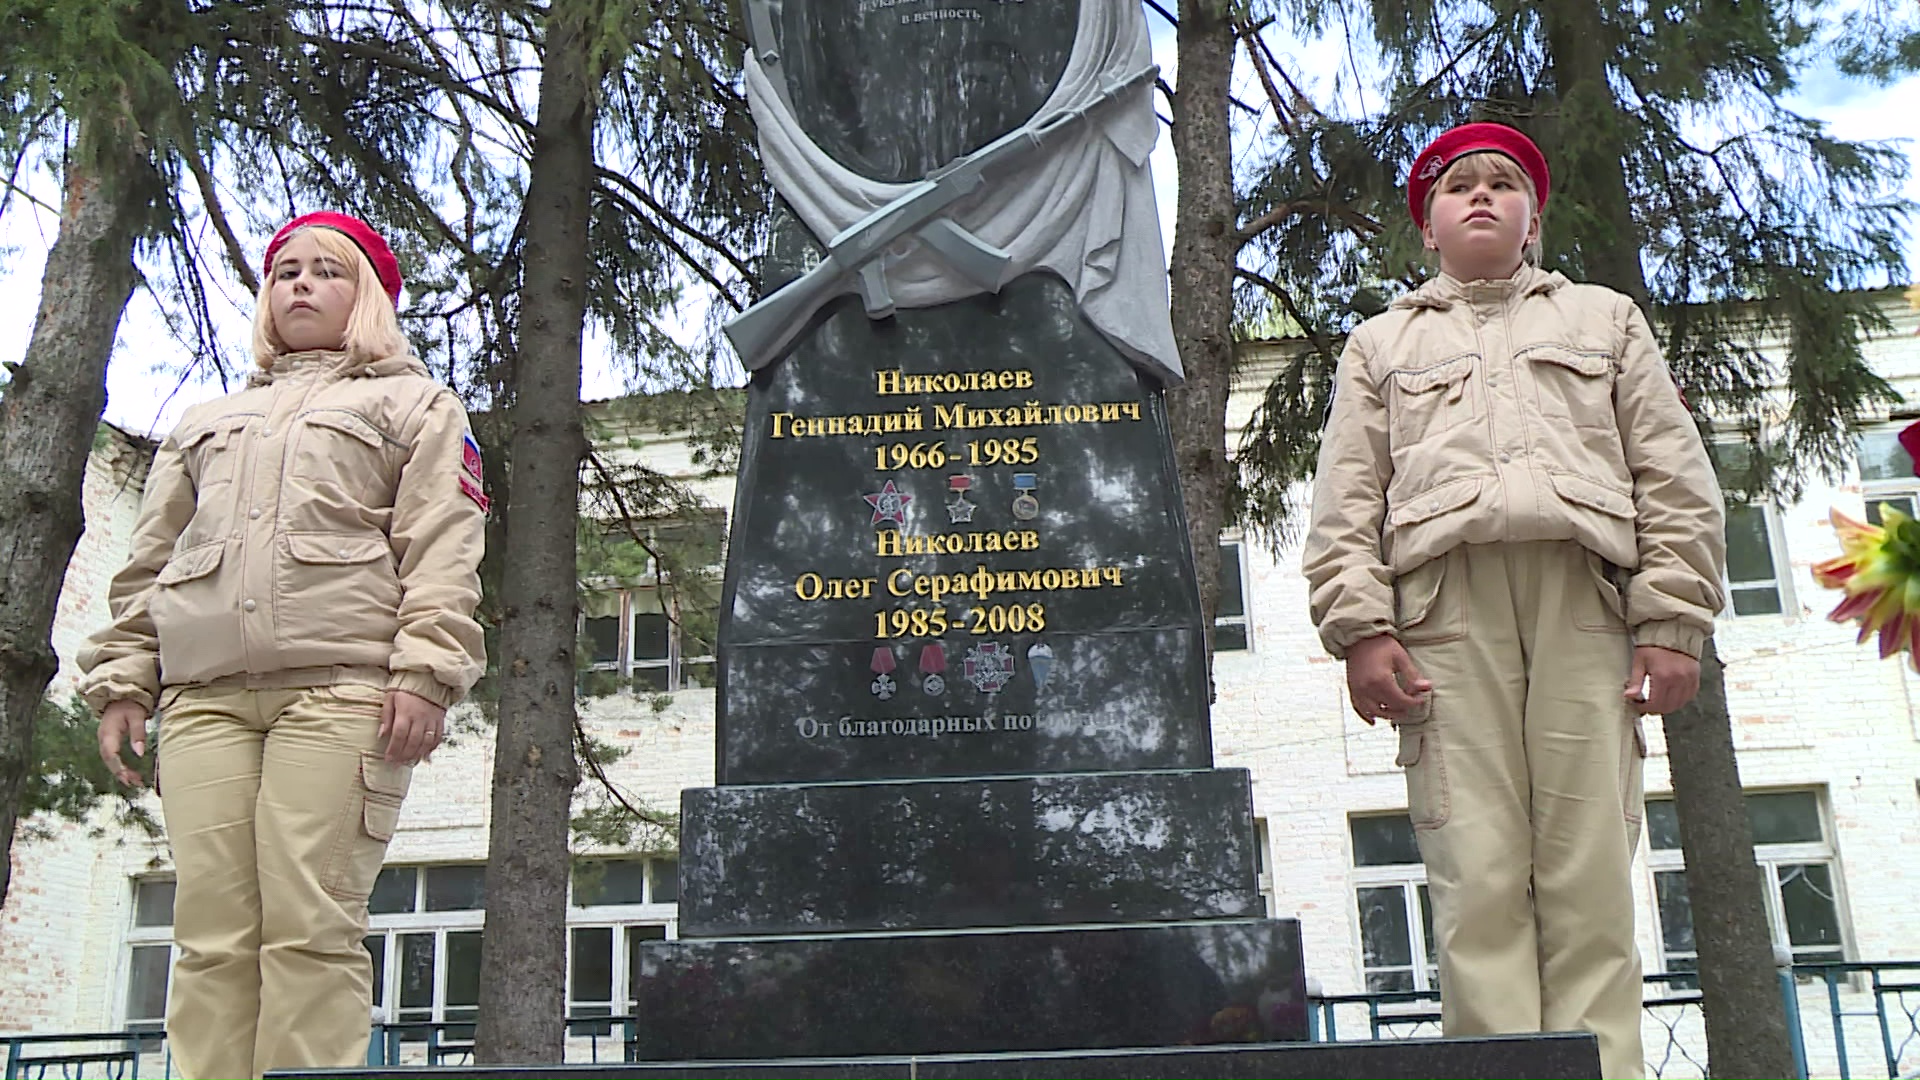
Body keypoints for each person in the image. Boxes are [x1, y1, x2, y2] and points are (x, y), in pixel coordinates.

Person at [1301, 123, 1727, 1080]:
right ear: (1428, 229)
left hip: (1586, 608)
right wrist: (1362, 630)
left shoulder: (1606, 321)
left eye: (1505, 183)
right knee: (1478, 877)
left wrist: (1669, 622)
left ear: (1533, 218)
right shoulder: (1380, 344)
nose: (1482, 196)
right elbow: (1346, 501)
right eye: (1459, 187)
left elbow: (1673, 476)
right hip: (1443, 620)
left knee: (1588, 878)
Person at [79, 211, 487, 1079]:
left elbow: (442, 544)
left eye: (326, 271)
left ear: (369, 294)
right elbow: (149, 562)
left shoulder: (415, 405)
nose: (299, 284)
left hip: (342, 694)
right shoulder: (205, 421)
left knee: (308, 927)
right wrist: (123, 679)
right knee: (211, 935)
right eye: (283, 271)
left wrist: (426, 670)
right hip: (202, 701)